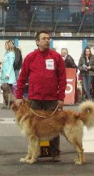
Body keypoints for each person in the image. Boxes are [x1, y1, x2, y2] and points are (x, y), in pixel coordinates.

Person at [15, 30, 66, 161]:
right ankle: (33, 154)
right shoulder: (30, 57)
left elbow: (62, 78)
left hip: (52, 99)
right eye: (44, 38)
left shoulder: (56, 57)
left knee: (54, 126)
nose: (47, 40)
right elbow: (22, 78)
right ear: (37, 42)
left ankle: (55, 153)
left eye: (48, 38)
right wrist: (19, 96)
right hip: (34, 99)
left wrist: (61, 98)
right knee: (32, 130)